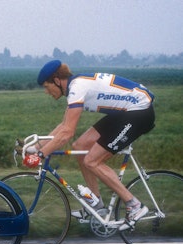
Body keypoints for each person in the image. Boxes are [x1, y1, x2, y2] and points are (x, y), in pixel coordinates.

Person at [30, 60, 155, 231]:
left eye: (46, 86)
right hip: (124, 111)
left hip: (139, 112)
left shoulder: (77, 88)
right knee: (80, 145)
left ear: (57, 80)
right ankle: (96, 204)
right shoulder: (75, 86)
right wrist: (34, 148)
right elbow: (63, 126)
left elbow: (66, 133)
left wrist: (40, 155)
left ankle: (134, 205)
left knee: (92, 161)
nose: (46, 92)